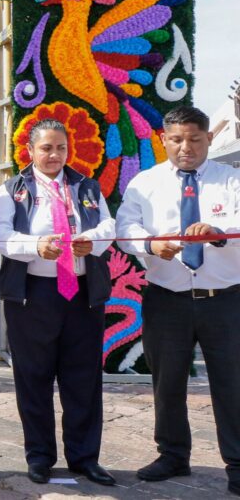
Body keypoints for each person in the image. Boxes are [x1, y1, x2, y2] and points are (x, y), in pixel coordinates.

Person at [116, 106, 240, 497]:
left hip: (226, 300)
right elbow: (124, 230)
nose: (186, 147)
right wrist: (151, 244)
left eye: (195, 139)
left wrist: (218, 231)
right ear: (164, 140)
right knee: (166, 381)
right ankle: (172, 454)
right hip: (166, 299)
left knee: (232, 383)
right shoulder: (144, 184)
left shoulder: (231, 179)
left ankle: (237, 464)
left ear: (208, 139)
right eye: (177, 139)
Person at [0, 119, 117, 486]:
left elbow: (108, 226)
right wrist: (34, 246)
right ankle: (40, 456)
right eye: (46, 148)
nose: (54, 155)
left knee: (83, 378)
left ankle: (84, 457)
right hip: (33, 294)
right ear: (30, 151)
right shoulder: (12, 189)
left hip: (81, 293)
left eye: (60, 148)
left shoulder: (85, 186)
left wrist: (91, 239)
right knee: (33, 377)